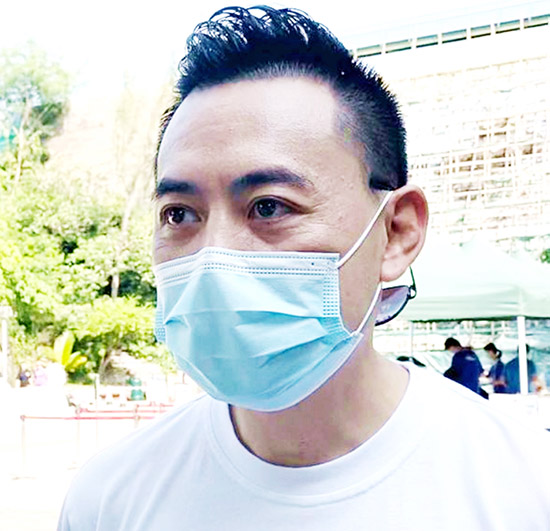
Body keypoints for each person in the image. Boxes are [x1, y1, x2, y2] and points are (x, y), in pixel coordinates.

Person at [58, 7, 550, 530]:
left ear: (396, 232)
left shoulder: (526, 489)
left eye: (269, 206)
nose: (212, 258)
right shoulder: (110, 499)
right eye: (179, 215)